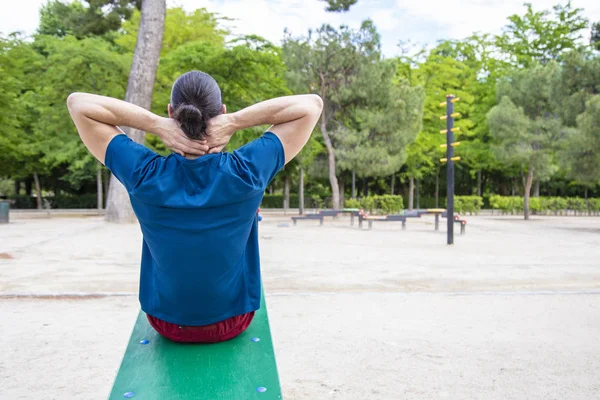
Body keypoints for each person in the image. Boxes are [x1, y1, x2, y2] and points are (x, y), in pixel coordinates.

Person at [67, 70, 323, 343]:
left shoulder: (144, 174)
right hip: (233, 320)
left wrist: (156, 124)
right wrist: (236, 121)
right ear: (221, 112)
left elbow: (78, 104)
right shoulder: (247, 171)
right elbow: (312, 105)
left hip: (166, 322)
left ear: (171, 113)